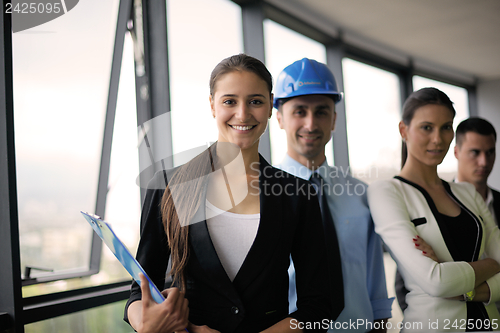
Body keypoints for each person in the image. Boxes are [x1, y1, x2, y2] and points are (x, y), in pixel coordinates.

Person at [124, 54, 336, 333]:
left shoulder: (297, 194)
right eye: (229, 101)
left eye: (256, 101)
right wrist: (146, 323)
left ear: (271, 107)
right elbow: (138, 292)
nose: (243, 114)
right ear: (212, 105)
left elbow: (321, 305)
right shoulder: (168, 185)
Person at [274, 58, 392, 333]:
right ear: (279, 117)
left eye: (322, 112)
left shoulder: (361, 194)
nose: (311, 123)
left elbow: (374, 280)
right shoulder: (261, 194)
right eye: (299, 111)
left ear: (334, 119)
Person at [368, 87, 500, 332]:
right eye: (426, 127)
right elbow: (436, 282)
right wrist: (493, 265)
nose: (438, 139)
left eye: (446, 127)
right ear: (403, 130)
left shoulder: (467, 192)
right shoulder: (386, 192)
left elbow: (444, 281)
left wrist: (464, 291)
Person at [395, 117, 500, 312]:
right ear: (457, 152)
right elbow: (408, 283)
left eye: (490, 152)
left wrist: (456, 283)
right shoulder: (428, 206)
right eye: (475, 153)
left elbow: (444, 282)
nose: (484, 162)